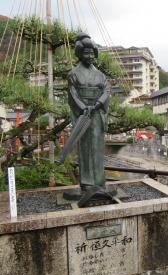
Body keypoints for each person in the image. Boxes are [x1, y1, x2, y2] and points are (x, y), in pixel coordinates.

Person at [67, 33, 110, 198]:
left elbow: (106, 90)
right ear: (79, 53)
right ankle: (86, 183)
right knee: (85, 146)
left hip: (97, 111)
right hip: (83, 113)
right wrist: (83, 107)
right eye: (86, 53)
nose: (90, 56)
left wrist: (98, 103)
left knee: (98, 146)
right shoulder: (73, 73)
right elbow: (72, 94)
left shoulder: (100, 74)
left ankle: (99, 182)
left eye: (92, 53)